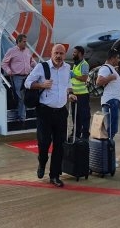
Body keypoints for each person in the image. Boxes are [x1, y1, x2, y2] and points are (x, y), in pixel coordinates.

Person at [24, 44, 76, 188]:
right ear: (51, 54)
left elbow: (68, 83)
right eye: (56, 53)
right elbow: (27, 83)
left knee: (59, 146)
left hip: (61, 112)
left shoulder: (67, 68)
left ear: (65, 55)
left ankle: (55, 176)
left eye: (61, 53)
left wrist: (70, 93)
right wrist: (41, 85)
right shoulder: (42, 67)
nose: (59, 56)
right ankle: (42, 162)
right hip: (44, 112)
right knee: (44, 143)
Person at [96, 48, 120, 167]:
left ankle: (109, 156)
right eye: (117, 58)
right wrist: (111, 77)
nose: (119, 60)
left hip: (114, 101)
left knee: (112, 130)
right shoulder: (105, 68)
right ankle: (108, 157)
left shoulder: (110, 69)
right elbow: (99, 81)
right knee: (110, 131)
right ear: (112, 58)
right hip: (110, 102)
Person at [1, 34, 37, 122]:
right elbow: (4, 63)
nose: (26, 43)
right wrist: (9, 71)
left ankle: (22, 115)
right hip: (17, 77)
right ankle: (22, 117)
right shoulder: (11, 51)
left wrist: (37, 67)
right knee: (21, 96)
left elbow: (31, 61)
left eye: (26, 41)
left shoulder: (27, 51)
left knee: (27, 95)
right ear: (19, 42)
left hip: (27, 76)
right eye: (24, 42)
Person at [69, 46, 90, 139]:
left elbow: (84, 78)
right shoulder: (76, 64)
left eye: (75, 52)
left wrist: (73, 75)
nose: (73, 54)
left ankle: (85, 134)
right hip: (75, 94)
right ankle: (76, 133)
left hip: (82, 95)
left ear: (80, 53)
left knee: (84, 116)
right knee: (75, 115)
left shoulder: (84, 64)